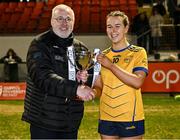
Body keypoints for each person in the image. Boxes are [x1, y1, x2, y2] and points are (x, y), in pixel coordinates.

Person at [21, 4, 95, 139]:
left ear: (74, 22)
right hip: (44, 120)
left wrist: (85, 78)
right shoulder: (39, 44)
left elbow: (88, 77)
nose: (64, 23)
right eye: (59, 18)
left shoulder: (81, 48)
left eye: (68, 19)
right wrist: (76, 89)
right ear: (51, 21)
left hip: (71, 121)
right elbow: (42, 77)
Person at [94, 11, 148, 139]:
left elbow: (137, 82)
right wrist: (85, 78)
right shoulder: (102, 56)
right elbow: (101, 86)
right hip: (106, 116)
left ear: (126, 28)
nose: (113, 30)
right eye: (109, 26)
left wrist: (111, 65)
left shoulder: (138, 52)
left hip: (130, 117)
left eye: (117, 26)